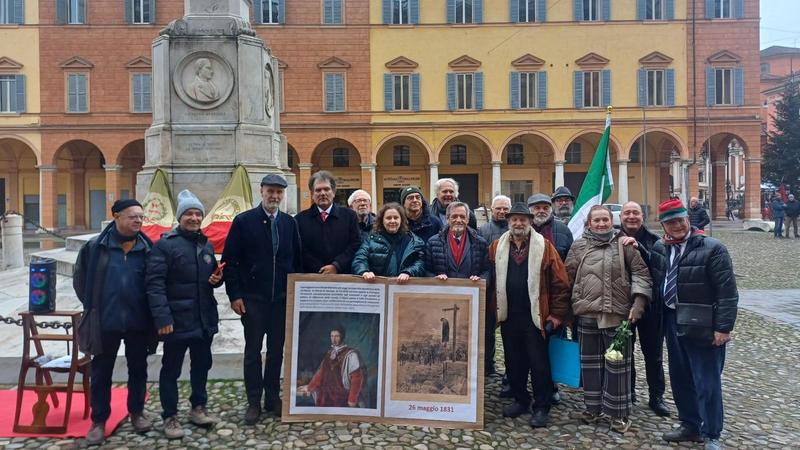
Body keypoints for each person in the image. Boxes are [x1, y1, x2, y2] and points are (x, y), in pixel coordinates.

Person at [650, 199, 738, 450]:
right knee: (680, 377)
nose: (676, 226)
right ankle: (690, 425)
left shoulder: (712, 248)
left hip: (704, 324)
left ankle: (711, 433)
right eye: (670, 222)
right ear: (663, 225)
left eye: (680, 220)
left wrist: (723, 328)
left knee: (706, 381)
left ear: (688, 220)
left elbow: (727, 292)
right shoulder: (660, 247)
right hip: (672, 320)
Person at [222, 174, 302, 424]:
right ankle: (253, 401)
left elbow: (296, 260)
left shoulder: (290, 223)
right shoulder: (244, 221)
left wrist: (296, 292)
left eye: (279, 192)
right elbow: (230, 261)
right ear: (261, 191)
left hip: (280, 300)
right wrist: (234, 295)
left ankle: (272, 397)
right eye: (271, 191)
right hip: (253, 299)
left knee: (277, 351)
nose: (274, 196)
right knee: (253, 352)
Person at [73, 199, 154, 445]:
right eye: (132, 216)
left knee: (138, 370)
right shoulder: (95, 247)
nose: (138, 220)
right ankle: (99, 420)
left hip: (138, 321)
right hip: (105, 321)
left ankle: (137, 412)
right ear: (116, 217)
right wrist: (95, 307)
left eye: (141, 217)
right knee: (101, 372)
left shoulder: (148, 248)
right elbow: (81, 280)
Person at [565, 205, 652, 433]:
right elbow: (567, 278)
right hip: (587, 315)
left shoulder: (625, 245)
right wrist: (566, 311)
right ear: (589, 223)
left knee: (618, 367)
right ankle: (593, 408)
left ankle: (618, 414)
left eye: (605, 220)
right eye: (597, 220)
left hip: (617, 315)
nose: (602, 224)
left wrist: (639, 304)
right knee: (591, 366)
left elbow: (642, 275)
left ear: (611, 221)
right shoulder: (579, 246)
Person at [146, 190, 223, 439]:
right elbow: (155, 284)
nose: (193, 217)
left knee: (202, 366)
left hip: (203, 319)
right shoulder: (164, 245)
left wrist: (215, 280)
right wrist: (163, 318)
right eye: (189, 213)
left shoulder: (207, 244)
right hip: (177, 321)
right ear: (180, 217)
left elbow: (210, 280)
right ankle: (169, 416)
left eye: (197, 213)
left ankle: (198, 407)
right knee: (171, 369)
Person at [488, 202, 571, 428]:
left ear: (530, 222)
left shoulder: (544, 247)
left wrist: (556, 316)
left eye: (523, 219)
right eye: (514, 219)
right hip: (510, 315)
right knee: (514, 362)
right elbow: (491, 281)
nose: (518, 223)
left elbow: (561, 283)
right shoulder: (497, 247)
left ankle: (542, 406)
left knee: (539, 364)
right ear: (508, 222)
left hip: (537, 317)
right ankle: (521, 399)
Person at [424, 201, 492, 373]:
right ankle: (442, 369)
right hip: (442, 302)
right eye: (454, 216)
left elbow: (487, 270)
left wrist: (481, 279)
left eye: (462, 216)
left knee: (467, 339)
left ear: (468, 219)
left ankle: (471, 375)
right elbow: (426, 269)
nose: (458, 220)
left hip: (470, 303)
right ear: (447, 219)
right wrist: (434, 278)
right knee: (444, 338)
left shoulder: (480, 242)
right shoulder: (433, 242)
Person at [618, 201, 670, 417]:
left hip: (651, 306)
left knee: (653, 354)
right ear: (620, 217)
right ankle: (627, 392)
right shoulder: (613, 239)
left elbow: (659, 273)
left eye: (635, 213)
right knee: (623, 353)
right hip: (622, 306)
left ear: (642, 216)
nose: (631, 216)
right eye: (627, 213)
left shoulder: (656, 242)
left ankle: (656, 396)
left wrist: (640, 250)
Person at [296, 170, 362, 274]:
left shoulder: (349, 216)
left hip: (342, 277)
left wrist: (336, 265)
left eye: (326, 189)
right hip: (311, 278)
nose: (322, 193)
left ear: (334, 192)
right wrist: (319, 269)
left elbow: (355, 244)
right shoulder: (300, 219)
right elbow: (299, 248)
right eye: (318, 190)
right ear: (312, 194)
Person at [352, 203, 426, 281]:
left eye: (396, 217)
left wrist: (408, 272)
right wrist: (364, 271)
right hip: (378, 289)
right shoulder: (371, 240)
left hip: (404, 288)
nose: (392, 221)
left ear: (402, 219)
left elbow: (420, 262)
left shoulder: (413, 241)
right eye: (388, 218)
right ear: (382, 220)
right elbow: (359, 258)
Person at [297, 326, 367, 407]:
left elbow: (357, 379)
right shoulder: (329, 353)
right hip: (327, 394)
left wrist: (352, 399)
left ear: (342, 337)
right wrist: (309, 387)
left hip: (342, 394)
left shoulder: (351, 355)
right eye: (332, 336)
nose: (334, 339)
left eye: (337, 336)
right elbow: (321, 373)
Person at [528, 193, 573, 262]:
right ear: (530, 210)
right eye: (537, 208)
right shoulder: (524, 229)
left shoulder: (563, 230)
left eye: (545, 208)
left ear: (551, 210)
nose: (541, 211)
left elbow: (570, 258)